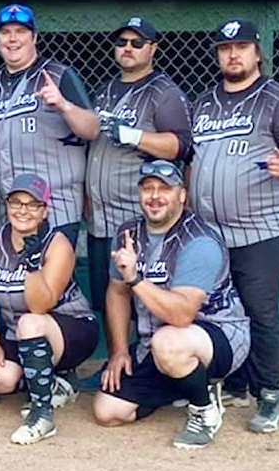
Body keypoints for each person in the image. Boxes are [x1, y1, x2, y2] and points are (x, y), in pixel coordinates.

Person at [189, 19, 279, 433]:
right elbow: (193, 159)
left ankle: (272, 392)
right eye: (225, 48)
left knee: (260, 311)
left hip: (261, 227)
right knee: (221, 309)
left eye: (241, 47)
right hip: (210, 229)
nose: (233, 54)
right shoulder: (204, 102)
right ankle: (237, 381)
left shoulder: (276, 99)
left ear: (257, 52)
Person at [93, 160, 250, 449]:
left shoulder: (199, 240)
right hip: (155, 341)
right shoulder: (129, 233)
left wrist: (135, 278)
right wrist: (118, 351)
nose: (154, 196)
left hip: (217, 333)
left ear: (181, 195)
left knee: (169, 343)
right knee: (108, 411)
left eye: (164, 189)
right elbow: (116, 293)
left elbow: (181, 314)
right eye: (147, 189)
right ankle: (180, 384)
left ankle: (204, 410)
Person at [82, 17, 192, 390]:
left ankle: (150, 369)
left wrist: (133, 135)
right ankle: (120, 360)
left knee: (139, 293)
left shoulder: (164, 92)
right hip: (101, 215)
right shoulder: (106, 90)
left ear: (152, 49)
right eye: (122, 42)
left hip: (139, 214)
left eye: (137, 42)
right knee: (109, 295)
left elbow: (180, 145)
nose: (127, 48)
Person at [0, 173, 98, 444]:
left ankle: (42, 415)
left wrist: (31, 266)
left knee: (30, 322)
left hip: (71, 328)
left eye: (32, 205)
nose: (23, 210)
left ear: (44, 210)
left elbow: (41, 305)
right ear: (6, 205)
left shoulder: (57, 243)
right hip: (17, 330)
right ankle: (55, 383)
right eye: (16, 202)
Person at [0, 3, 99, 246]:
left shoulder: (58, 75)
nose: (12, 39)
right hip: (8, 209)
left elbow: (92, 129)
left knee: (52, 280)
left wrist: (64, 105)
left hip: (55, 207)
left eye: (20, 32)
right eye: (5, 32)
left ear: (34, 37)